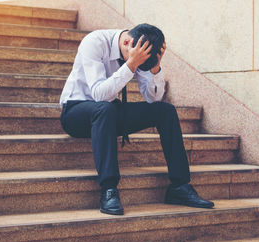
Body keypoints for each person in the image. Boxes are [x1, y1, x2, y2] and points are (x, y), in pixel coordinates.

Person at [59, 23, 214, 215]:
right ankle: (109, 189)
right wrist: (131, 64)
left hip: (109, 115)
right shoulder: (95, 42)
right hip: (76, 113)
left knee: (164, 111)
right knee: (105, 108)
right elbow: (99, 94)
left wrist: (155, 68)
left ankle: (179, 186)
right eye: (137, 61)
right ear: (126, 42)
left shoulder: (138, 47)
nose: (137, 66)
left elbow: (153, 98)